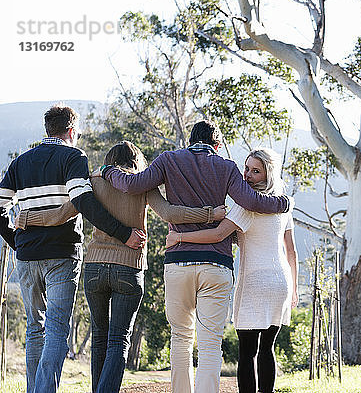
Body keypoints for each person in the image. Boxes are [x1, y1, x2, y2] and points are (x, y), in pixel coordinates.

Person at [15, 140, 226, 393]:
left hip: (94, 269)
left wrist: (27, 218)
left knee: (99, 339)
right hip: (129, 268)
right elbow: (170, 214)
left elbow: (60, 214)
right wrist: (209, 214)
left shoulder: (93, 181)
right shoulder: (142, 186)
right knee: (118, 340)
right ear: (137, 160)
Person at [98, 121, 292, 393]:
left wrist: (108, 171)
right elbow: (252, 201)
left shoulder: (169, 160)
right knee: (211, 341)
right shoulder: (226, 167)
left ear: (190, 140)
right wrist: (283, 203)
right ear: (217, 145)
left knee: (180, 338)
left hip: (178, 263)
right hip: (216, 266)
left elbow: (131, 185)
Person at [0, 105, 145, 393]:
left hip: (27, 256)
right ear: (70, 130)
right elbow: (83, 201)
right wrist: (124, 233)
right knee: (56, 330)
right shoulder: (73, 156)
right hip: (62, 254)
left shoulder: (21, 162)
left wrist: (17, 242)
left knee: (34, 329)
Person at [165, 148, 298, 393]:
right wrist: (295, 289)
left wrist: (179, 237)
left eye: (255, 171)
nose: (247, 175)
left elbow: (217, 234)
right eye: (246, 168)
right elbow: (291, 251)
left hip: (255, 282)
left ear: (268, 173)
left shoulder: (246, 205)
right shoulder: (283, 204)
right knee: (267, 347)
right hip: (281, 281)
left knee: (247, 352)